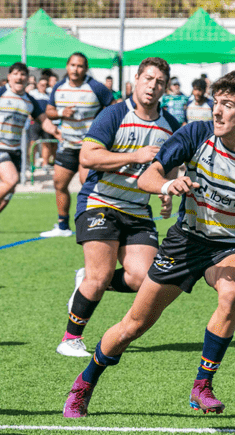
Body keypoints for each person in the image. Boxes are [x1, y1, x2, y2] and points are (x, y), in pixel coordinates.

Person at [64, 70, 235, 418]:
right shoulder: (197, 133)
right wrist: (166, 187)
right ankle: (85, 381)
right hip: (186, 241)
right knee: (133, 326)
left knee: (232, 293)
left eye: (228, 105)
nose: (217, 111)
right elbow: (148, 175)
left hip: (227, 245)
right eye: (216, 103)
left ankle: (202, 384)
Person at [56, 57, 180, 358]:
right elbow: (88, 157)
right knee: (98, 278)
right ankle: (71, 339)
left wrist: (165, 191)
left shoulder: (171, 126)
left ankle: (85, 280)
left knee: (144, 279)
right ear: (136, 80)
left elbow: (171, 169)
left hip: (137, 210)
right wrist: (134, 157)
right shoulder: (113, 114)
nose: (152, 86)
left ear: (165, 88)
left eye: (159, 82)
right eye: (147, 78)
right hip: (100, 202)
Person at [0, 62, 60, 233]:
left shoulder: (30, 101)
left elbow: (44, 120)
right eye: (16, 73)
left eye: (22, 74)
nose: (19, 77)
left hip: (15, 150)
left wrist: (57, 132)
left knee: (9, 190)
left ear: (27, 78)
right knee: (11, 179)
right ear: (9, 76)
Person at [40, 53, 113, 238]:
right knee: (59, 183)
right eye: (72, 65)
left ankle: (96, 223)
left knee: (87, 184)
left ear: (85, 69)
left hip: (89, 146)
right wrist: (60, 113)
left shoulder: (96, 87)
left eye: (80, 66)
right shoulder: (59, 86)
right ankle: (63, 226)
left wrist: (103, 129)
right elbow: (49, 110)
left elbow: (113, 108)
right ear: (67, 66)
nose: (75, 69)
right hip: (67, 144)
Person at [27, 75, 56, 170]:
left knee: (46, 143)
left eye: (45, 85)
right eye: (41, 84)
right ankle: (32, 164)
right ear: (38, 84)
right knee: (33, 143)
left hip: (45, 122)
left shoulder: (49, 95)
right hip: (34, 122)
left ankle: (45, 164)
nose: (43, 86)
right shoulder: (32, 94)